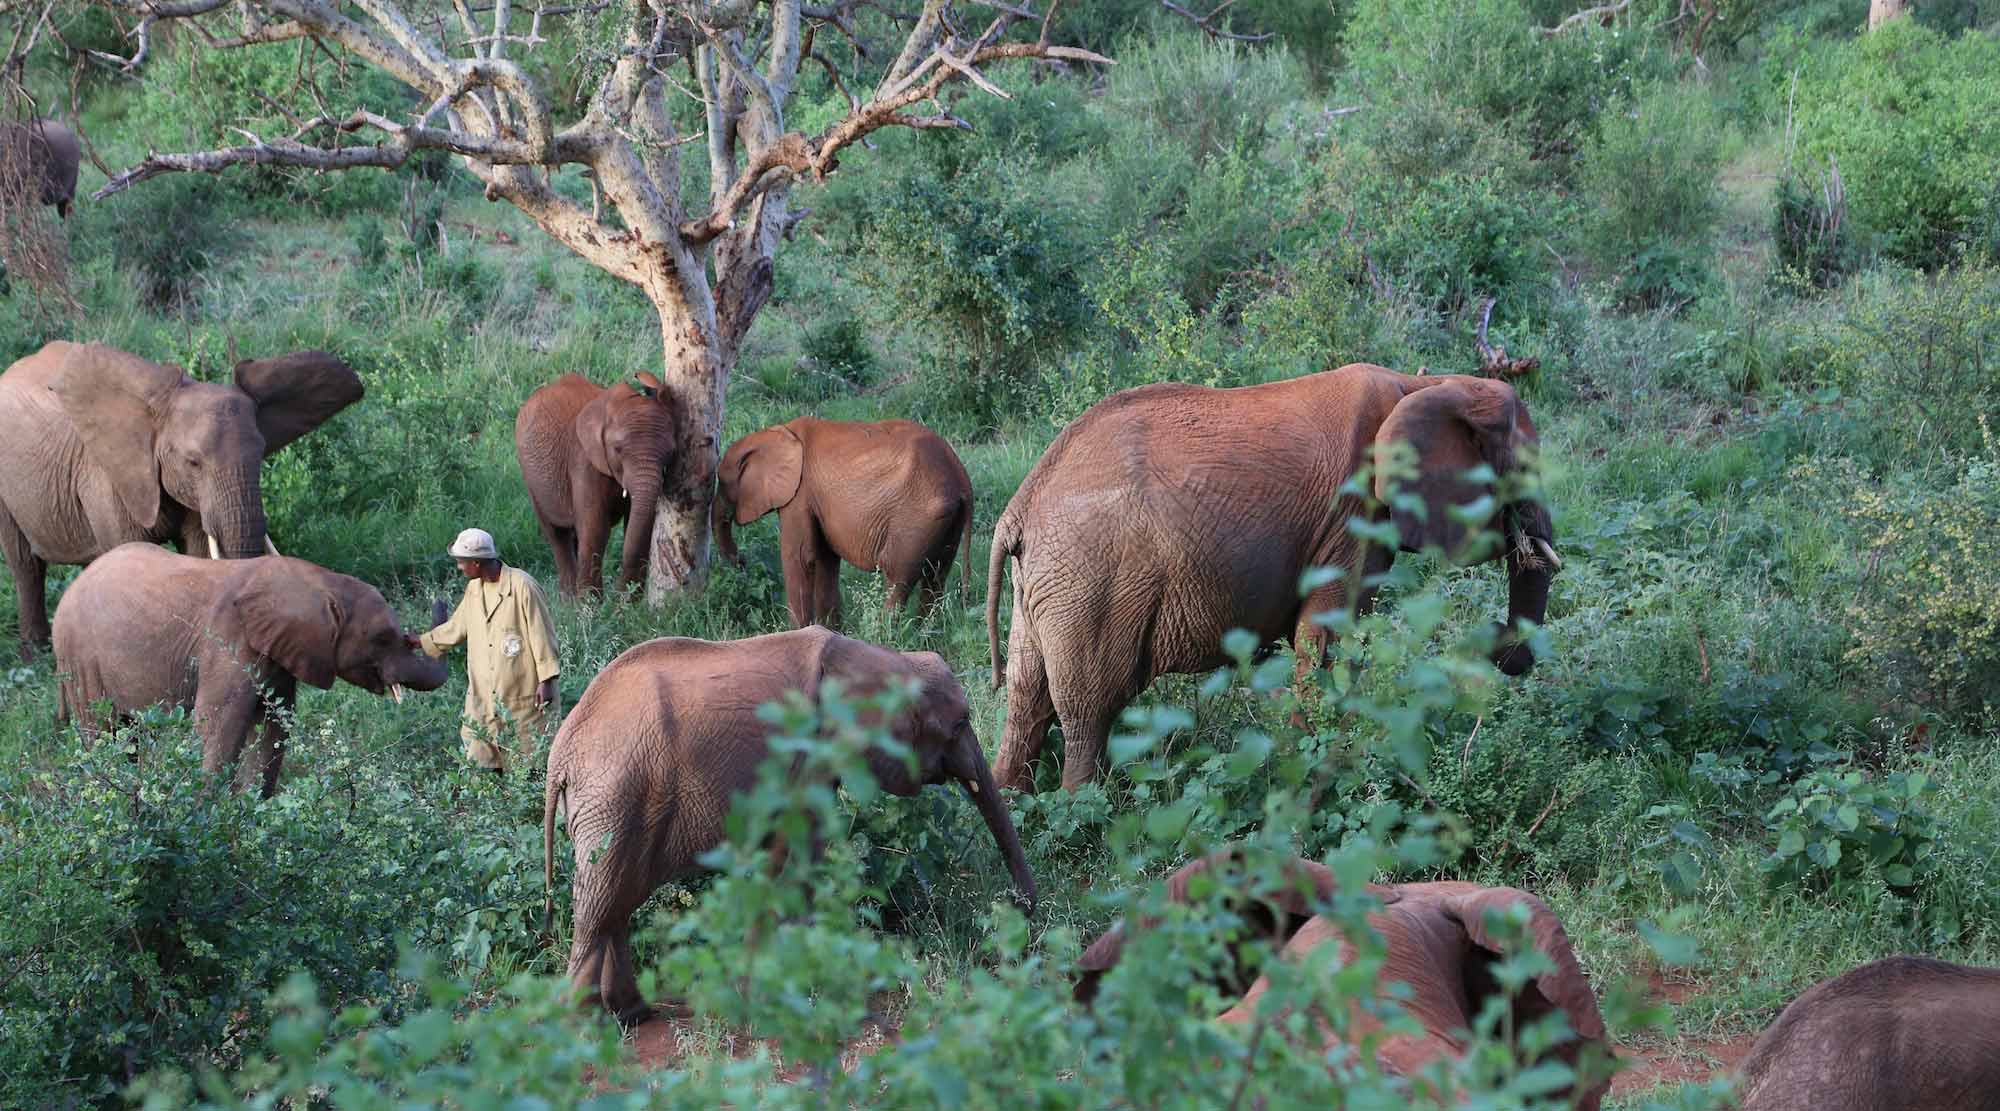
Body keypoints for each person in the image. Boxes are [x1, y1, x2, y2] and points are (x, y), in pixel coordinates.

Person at [420, 527, 561, 774]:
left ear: (476, 562)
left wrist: (547, 680)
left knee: (529, 765)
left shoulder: (522, 587)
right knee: (481, 762)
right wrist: (420, 642)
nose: (459, 568)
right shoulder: (474, 590)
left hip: (522, 697)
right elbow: (455, 629)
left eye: (461, 562)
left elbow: (543, 634)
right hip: (482, 700)